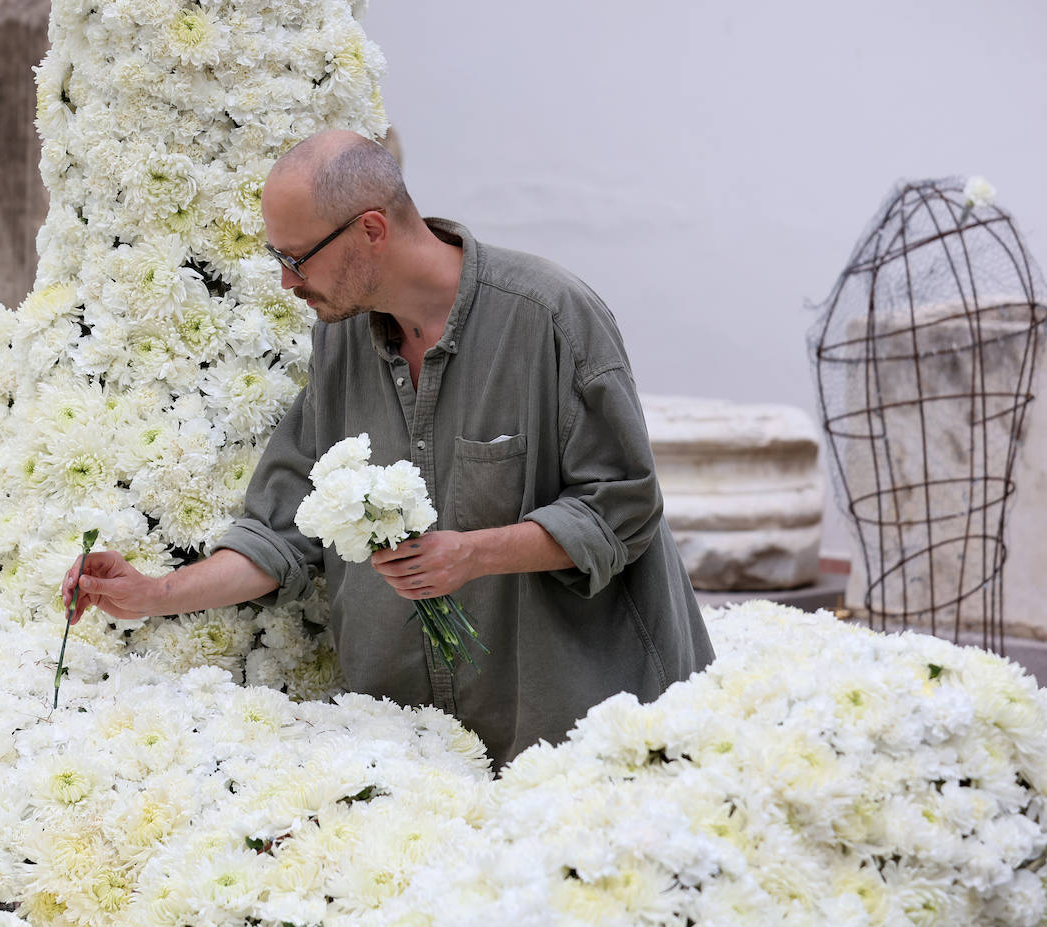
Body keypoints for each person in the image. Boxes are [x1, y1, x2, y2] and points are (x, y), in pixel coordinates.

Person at [63, 130, 713, 768]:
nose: (288, 283)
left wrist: (473, 553)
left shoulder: (550, 317)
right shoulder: (340, 344)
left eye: (297, 259)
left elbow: (622, 506)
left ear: (371, 229)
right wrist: (152, 594)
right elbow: (281, 531)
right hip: (417, 761)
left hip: (585, 745)